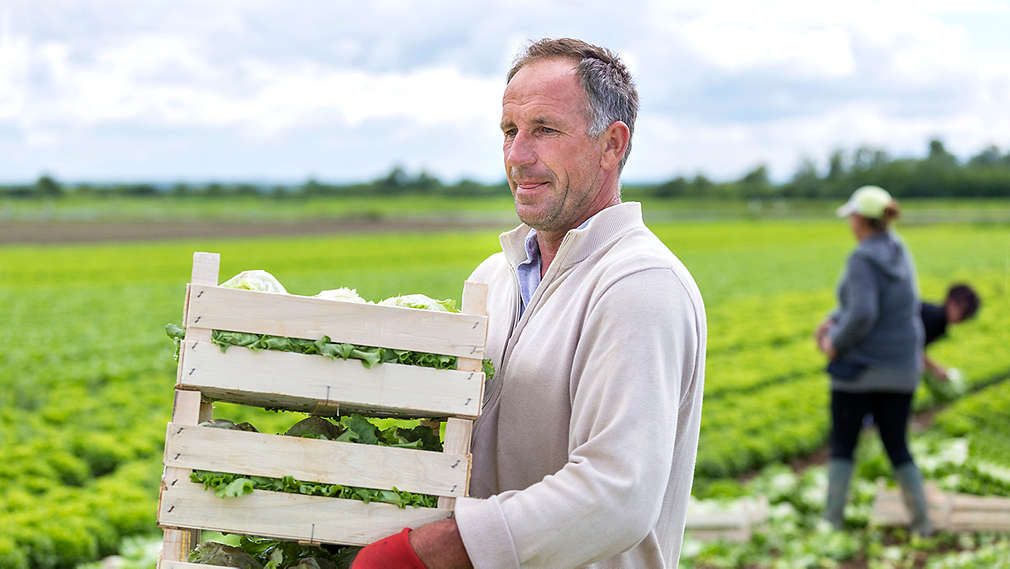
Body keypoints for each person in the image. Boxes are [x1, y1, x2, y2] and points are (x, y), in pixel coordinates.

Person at [351, 38, 707, 569]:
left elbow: (617, 493)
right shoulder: (493, 278)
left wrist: (431, 552)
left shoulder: (639, 284)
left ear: (611, 145)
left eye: (545, 129)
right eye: (509, 131)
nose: (518, 156)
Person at [814, 185, 932, 536]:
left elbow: (864, 312)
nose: (849, 222)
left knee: (843, 444)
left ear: (860, 221)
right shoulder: (899, 250)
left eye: (851, 216)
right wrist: (837, 315)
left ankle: (831, 522)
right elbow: (893, 304)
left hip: (861, 370)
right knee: (897, 444)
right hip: (903, 367)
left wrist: (834, 342)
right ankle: (922, 523)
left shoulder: (862, 258)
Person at [921, 283, 981, 380]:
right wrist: (935, 368)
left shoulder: (936, 317)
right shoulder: (936, 320)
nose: (962, 318)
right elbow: (912, 347)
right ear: (951, 302)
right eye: (963, 312)